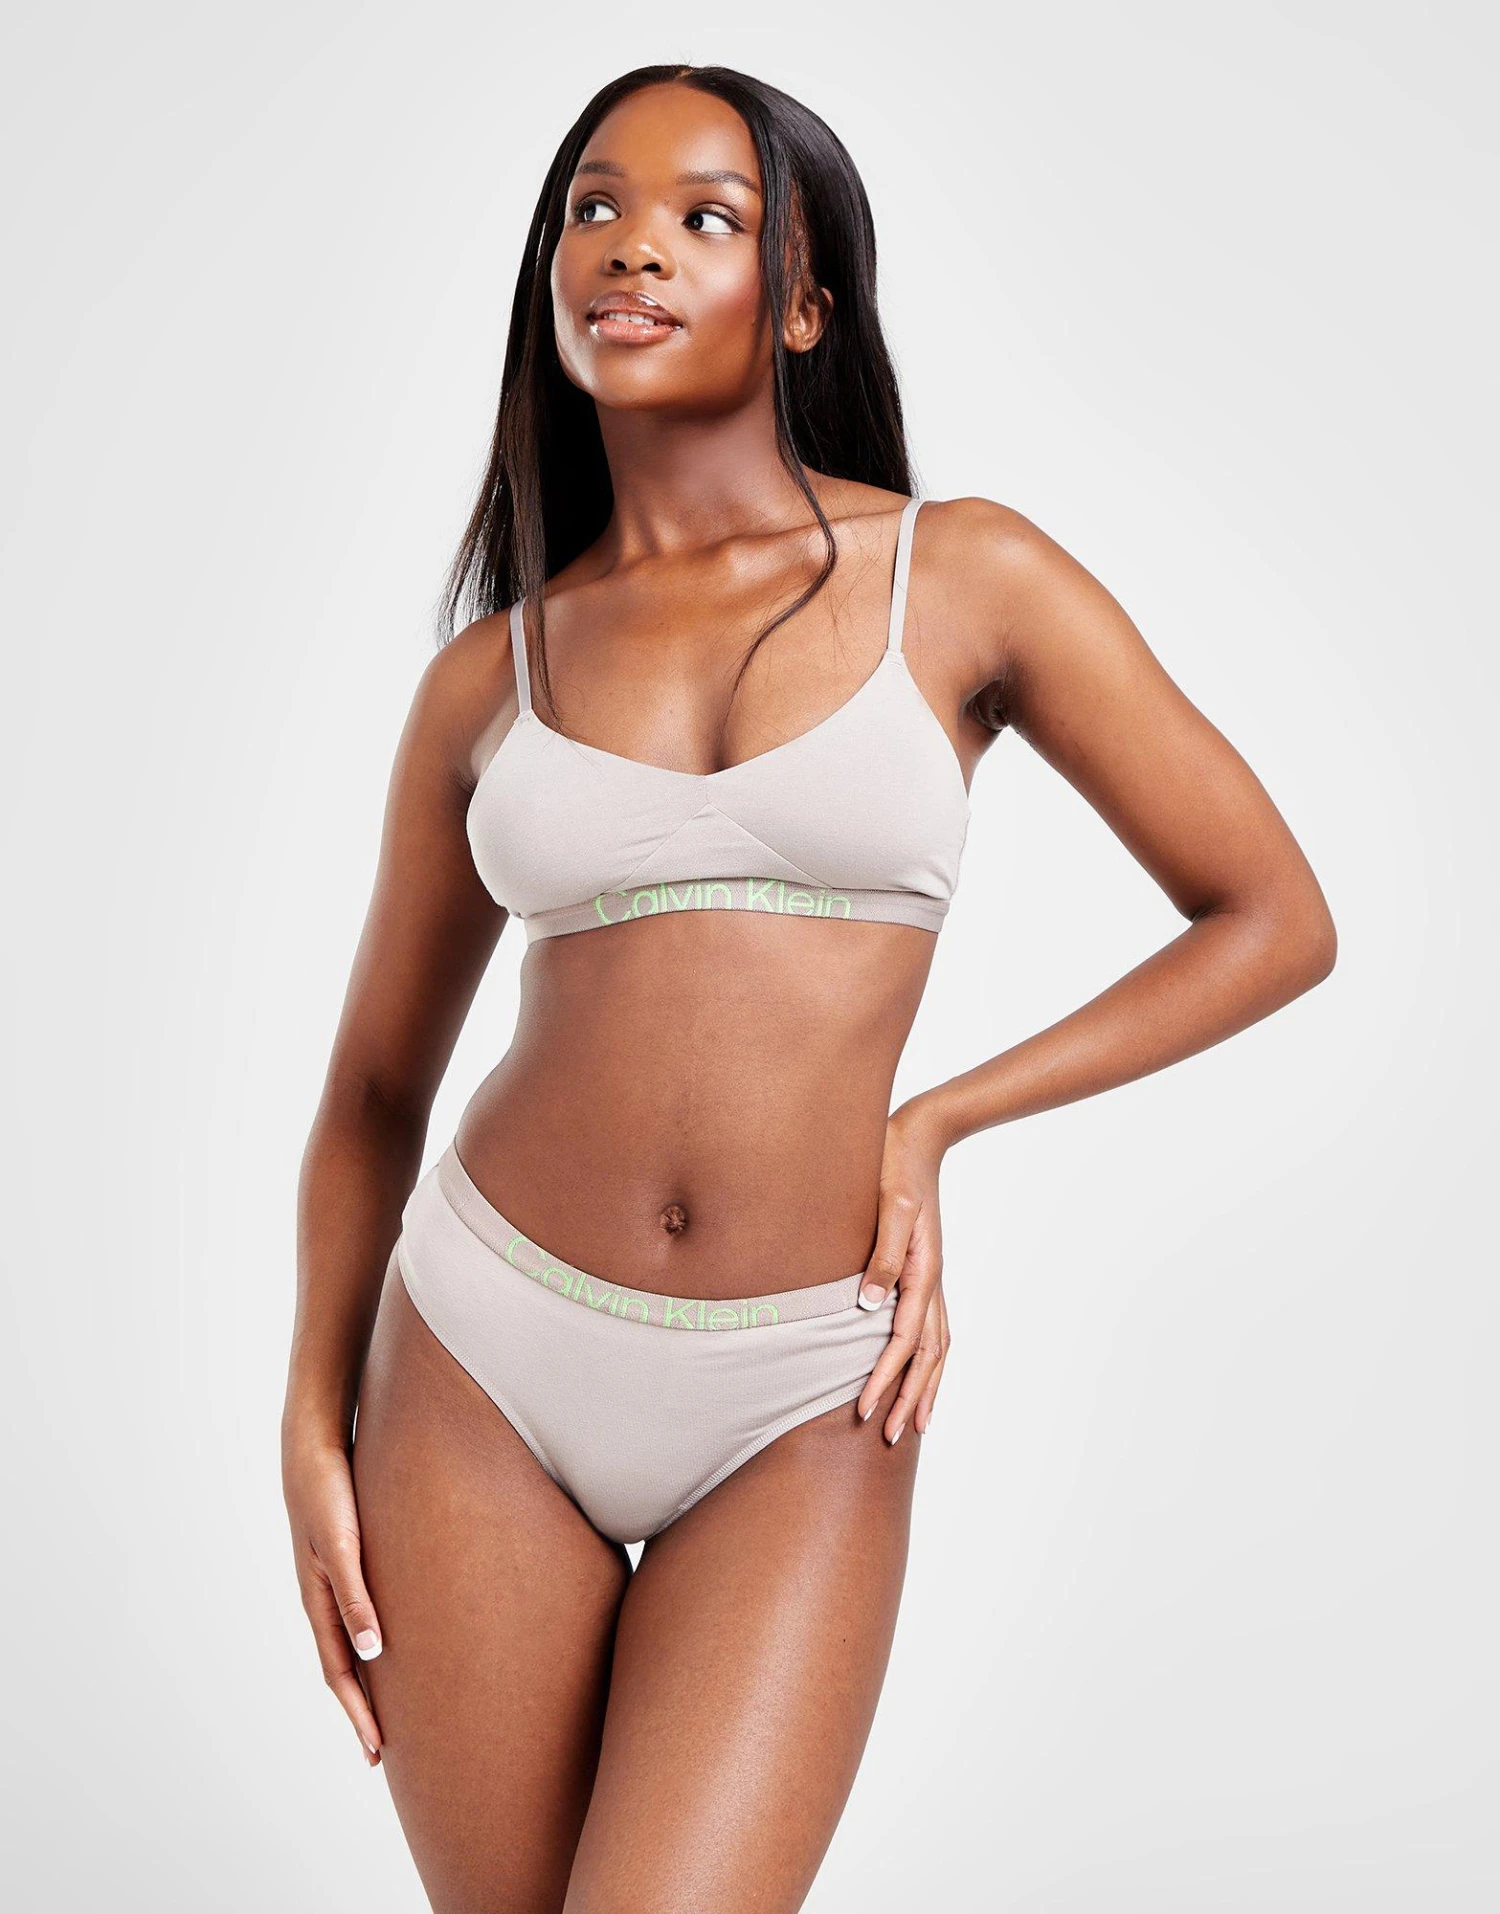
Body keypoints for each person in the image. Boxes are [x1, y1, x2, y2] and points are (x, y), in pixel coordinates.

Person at [281, 62, 1336, 1914]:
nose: (633, 248)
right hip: (476, 1358)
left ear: (802, 303)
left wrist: (938, 1121)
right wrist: (309, 1406)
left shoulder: (964, 577)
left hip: (802, 1387)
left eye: (707, 216)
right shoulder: (487, 679)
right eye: (595, 208)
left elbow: (1269, 914)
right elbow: (377, 1086)